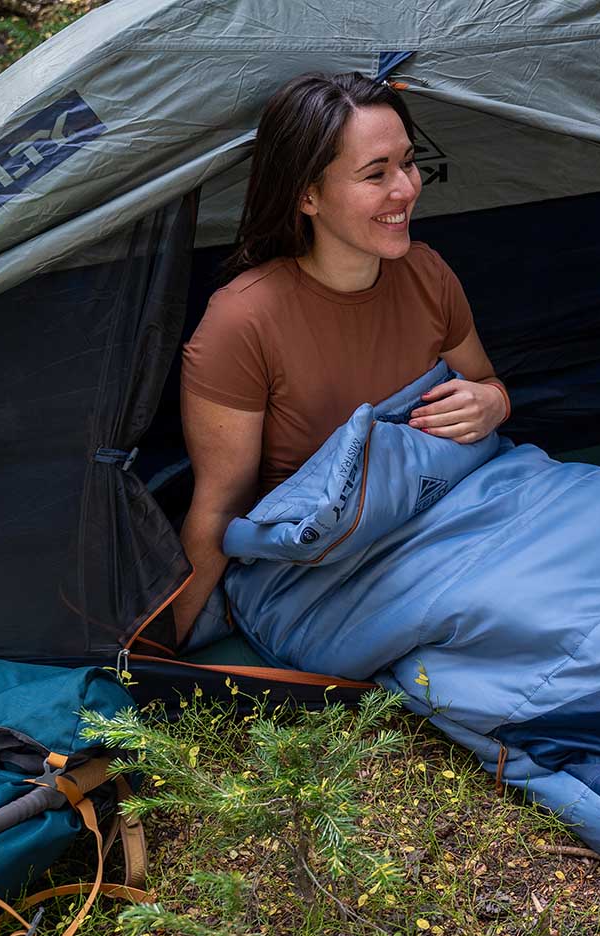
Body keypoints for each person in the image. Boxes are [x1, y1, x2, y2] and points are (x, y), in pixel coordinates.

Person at [173, 72, 510, 644]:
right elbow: (219, 509)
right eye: (376, 174)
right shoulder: (242, 321)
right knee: (512, 618)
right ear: (308, 196)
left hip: (451, 508)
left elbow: (488, 383)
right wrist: (157, 654)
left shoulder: (427, 273)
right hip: (332, 562)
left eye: (408, 163)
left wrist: (493, 405)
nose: (405, 189)